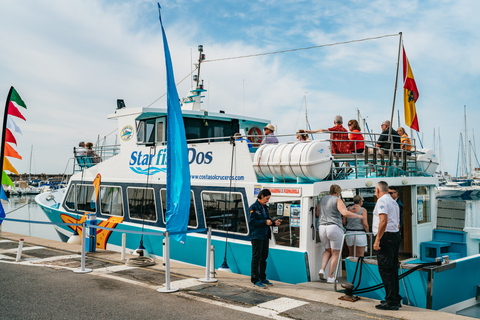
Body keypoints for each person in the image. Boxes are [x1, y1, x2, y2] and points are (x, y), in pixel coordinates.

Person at [317, 184, 365, 283]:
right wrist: (358, 216)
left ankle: (322, 269)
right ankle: (330, 277)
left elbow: (317, 213)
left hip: (322, 227)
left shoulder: (322, 199)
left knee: (327, 250)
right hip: (334, 227)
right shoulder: (338, 200)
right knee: (335, 253)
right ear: (338, 193)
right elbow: (345, 213)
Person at [372, 181, 402, 310]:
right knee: (393, 269)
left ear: (378, 190)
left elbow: (383, 221)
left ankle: (391, 301)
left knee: (385, 269)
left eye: (375, 191)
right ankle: (394, 298)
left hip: (386, 237)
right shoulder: (393, 201)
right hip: (394, 236)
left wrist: (377, 239)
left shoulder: (382, 201)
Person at [247, 189, 281, 288]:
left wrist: (274, 222)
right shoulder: (253, 208)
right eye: (267, 198)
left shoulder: (264, 208)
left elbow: (268, 220)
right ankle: (255, 279)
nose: (267, 200)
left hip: (265, 236)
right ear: (261, 196)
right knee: (256, 258)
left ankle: (262, 277)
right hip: (257, 236)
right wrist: (265, 222)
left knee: (264, 257)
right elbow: (251, 222)